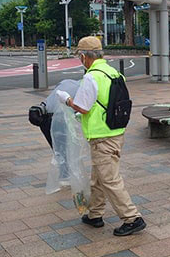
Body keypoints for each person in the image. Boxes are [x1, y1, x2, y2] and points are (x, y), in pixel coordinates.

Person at [56, 36, 146, 237]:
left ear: (84, 56)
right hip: (114, 132)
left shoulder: (92, 76)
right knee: (98, 178)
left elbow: (82, 106)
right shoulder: (114, 72)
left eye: (80, 56)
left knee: (110, 180)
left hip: (102, 136)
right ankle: (95, 214)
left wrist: (67, 100)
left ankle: (132, 218)